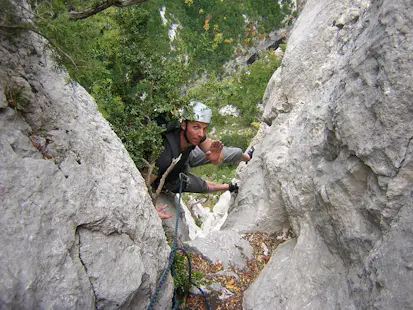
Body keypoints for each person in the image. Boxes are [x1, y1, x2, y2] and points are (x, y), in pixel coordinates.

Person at [152, 101, 254, 219]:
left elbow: (218, 159)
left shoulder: (195, 135)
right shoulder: (165, 155)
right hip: (172, 176)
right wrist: (152, 209)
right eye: (196, 127)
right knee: (201, 186)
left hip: (187, 155)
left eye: (205, 128)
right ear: (183, 125)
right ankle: (230, 187)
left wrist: (217, 158)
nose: (201, 133)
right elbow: (144, 184)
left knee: (232, 152)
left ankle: (248, 157)